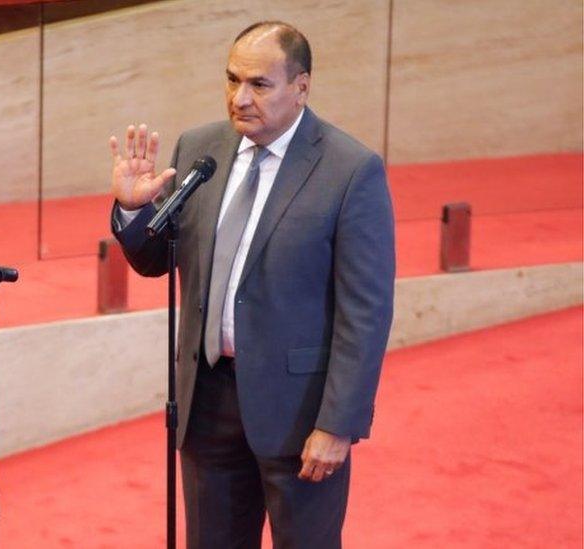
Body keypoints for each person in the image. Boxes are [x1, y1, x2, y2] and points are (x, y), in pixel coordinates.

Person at [109, 21, 395, 548]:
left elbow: (367, 312)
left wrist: (338, 424)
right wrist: (134, 209)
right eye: (232, 79)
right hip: (208, 401)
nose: (240, 98)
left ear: (301, 87)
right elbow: (156, 260)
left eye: (259, 84)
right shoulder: (200, 149)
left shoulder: (350, 169)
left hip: (300, 411)